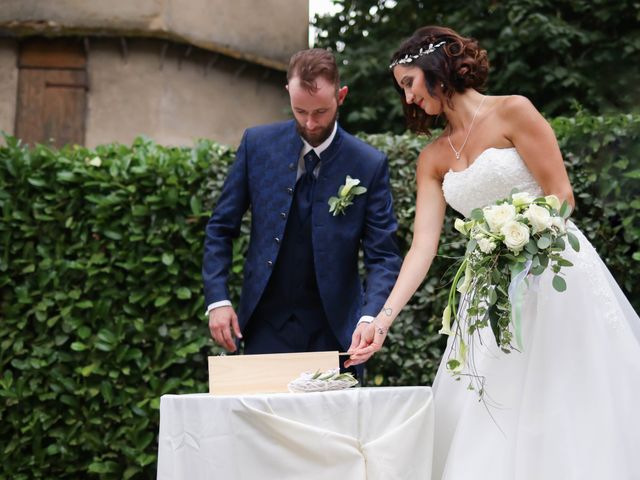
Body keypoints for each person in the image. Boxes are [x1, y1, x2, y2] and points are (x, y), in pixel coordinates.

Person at [346, 26, 640, 479]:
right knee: (492, 415)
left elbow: (561, 194)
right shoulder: (433, 157)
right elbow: (422, 248)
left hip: (554, 274)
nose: (407, 98)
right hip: (489, 294)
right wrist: (381, 321)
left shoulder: (513, 111)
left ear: (435, 68)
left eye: (409, 83)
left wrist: (525, 231)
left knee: (567, 398)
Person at [203, 49, 402, 363]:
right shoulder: (257, 145)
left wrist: (369, 318)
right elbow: (220, 227)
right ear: (288, 94)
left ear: (341, 95)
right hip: (264, 325)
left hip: (338, 331)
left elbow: (384, 256)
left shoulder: (368, 163)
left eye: (321, 111)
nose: (310, 123)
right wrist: (217, 300)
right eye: (300, 111)